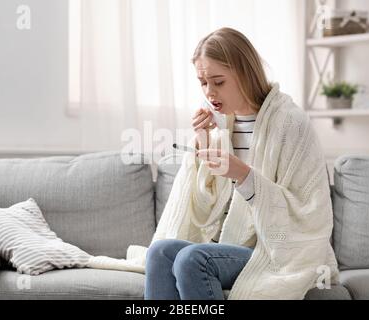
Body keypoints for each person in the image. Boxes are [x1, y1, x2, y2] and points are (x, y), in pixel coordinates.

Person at [143, 27, 339, 300]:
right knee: (159, 252)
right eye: (203, 82)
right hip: (223, 246)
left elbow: (308, 213)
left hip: (273, 250)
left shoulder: (290, 123)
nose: (210, 92)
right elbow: (203, 211)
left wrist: (244, 176)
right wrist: (203, 143)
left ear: (245, 73)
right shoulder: (219, 125)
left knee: (192, 259)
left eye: (218, 82)